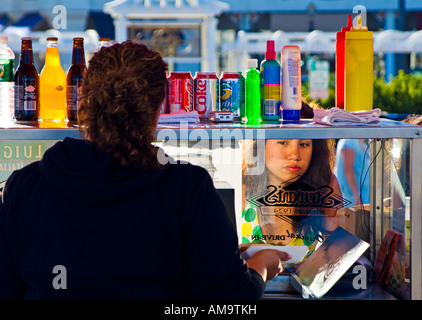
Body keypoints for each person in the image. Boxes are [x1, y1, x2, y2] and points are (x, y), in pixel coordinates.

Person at [0, 40, 290, 300]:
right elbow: (228, 298)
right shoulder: (187, 188)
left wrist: (221, 255)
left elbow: (7, 287)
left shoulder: (25, 186)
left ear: (84, 101)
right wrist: (259, 266)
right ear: (156, 110)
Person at [241, 138, 343, 247]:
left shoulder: (325, 183)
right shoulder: (241, 186)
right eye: (283, 142)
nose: (295, 155)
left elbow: (338, 251)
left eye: (304, 144)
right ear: (261, 144)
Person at [333, 139, 371, 208]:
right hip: (351, 200)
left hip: (363, 199)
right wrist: (356, 196)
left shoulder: (365, 146)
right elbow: (348, 169)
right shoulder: (349, 141)